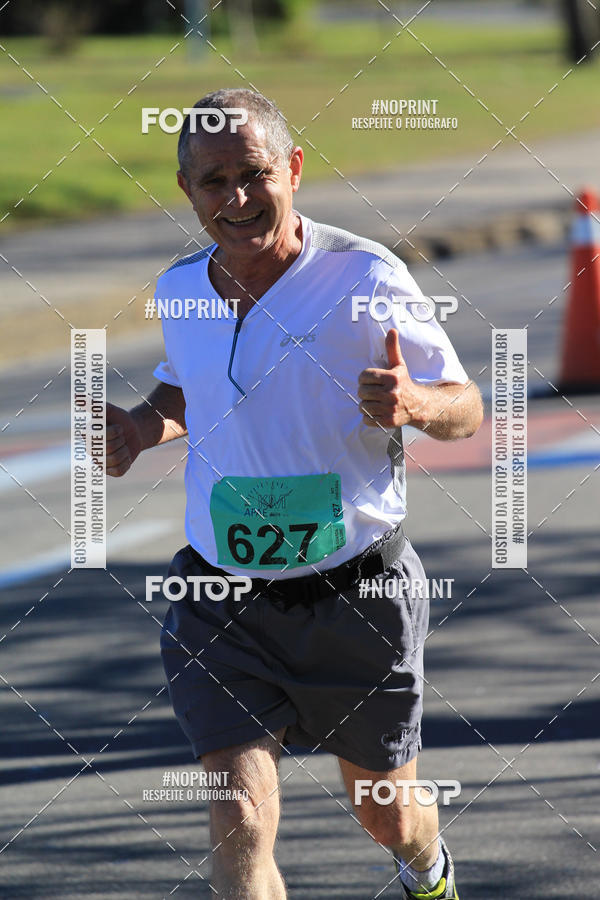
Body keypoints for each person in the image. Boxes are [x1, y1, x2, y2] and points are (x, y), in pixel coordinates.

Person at [106, 88, 483, 899]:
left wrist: (416, 404)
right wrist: (141, 427)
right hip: (222, 599)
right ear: (186, 190)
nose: (237, 198)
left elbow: (466, 406)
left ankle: (428, 870)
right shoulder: (180, 288)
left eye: (255, 174)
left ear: (295, 169)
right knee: (239, 819)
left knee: (387, 815)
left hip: (357, 596)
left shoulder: (364, 275)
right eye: (215, 181)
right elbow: (190, 387)